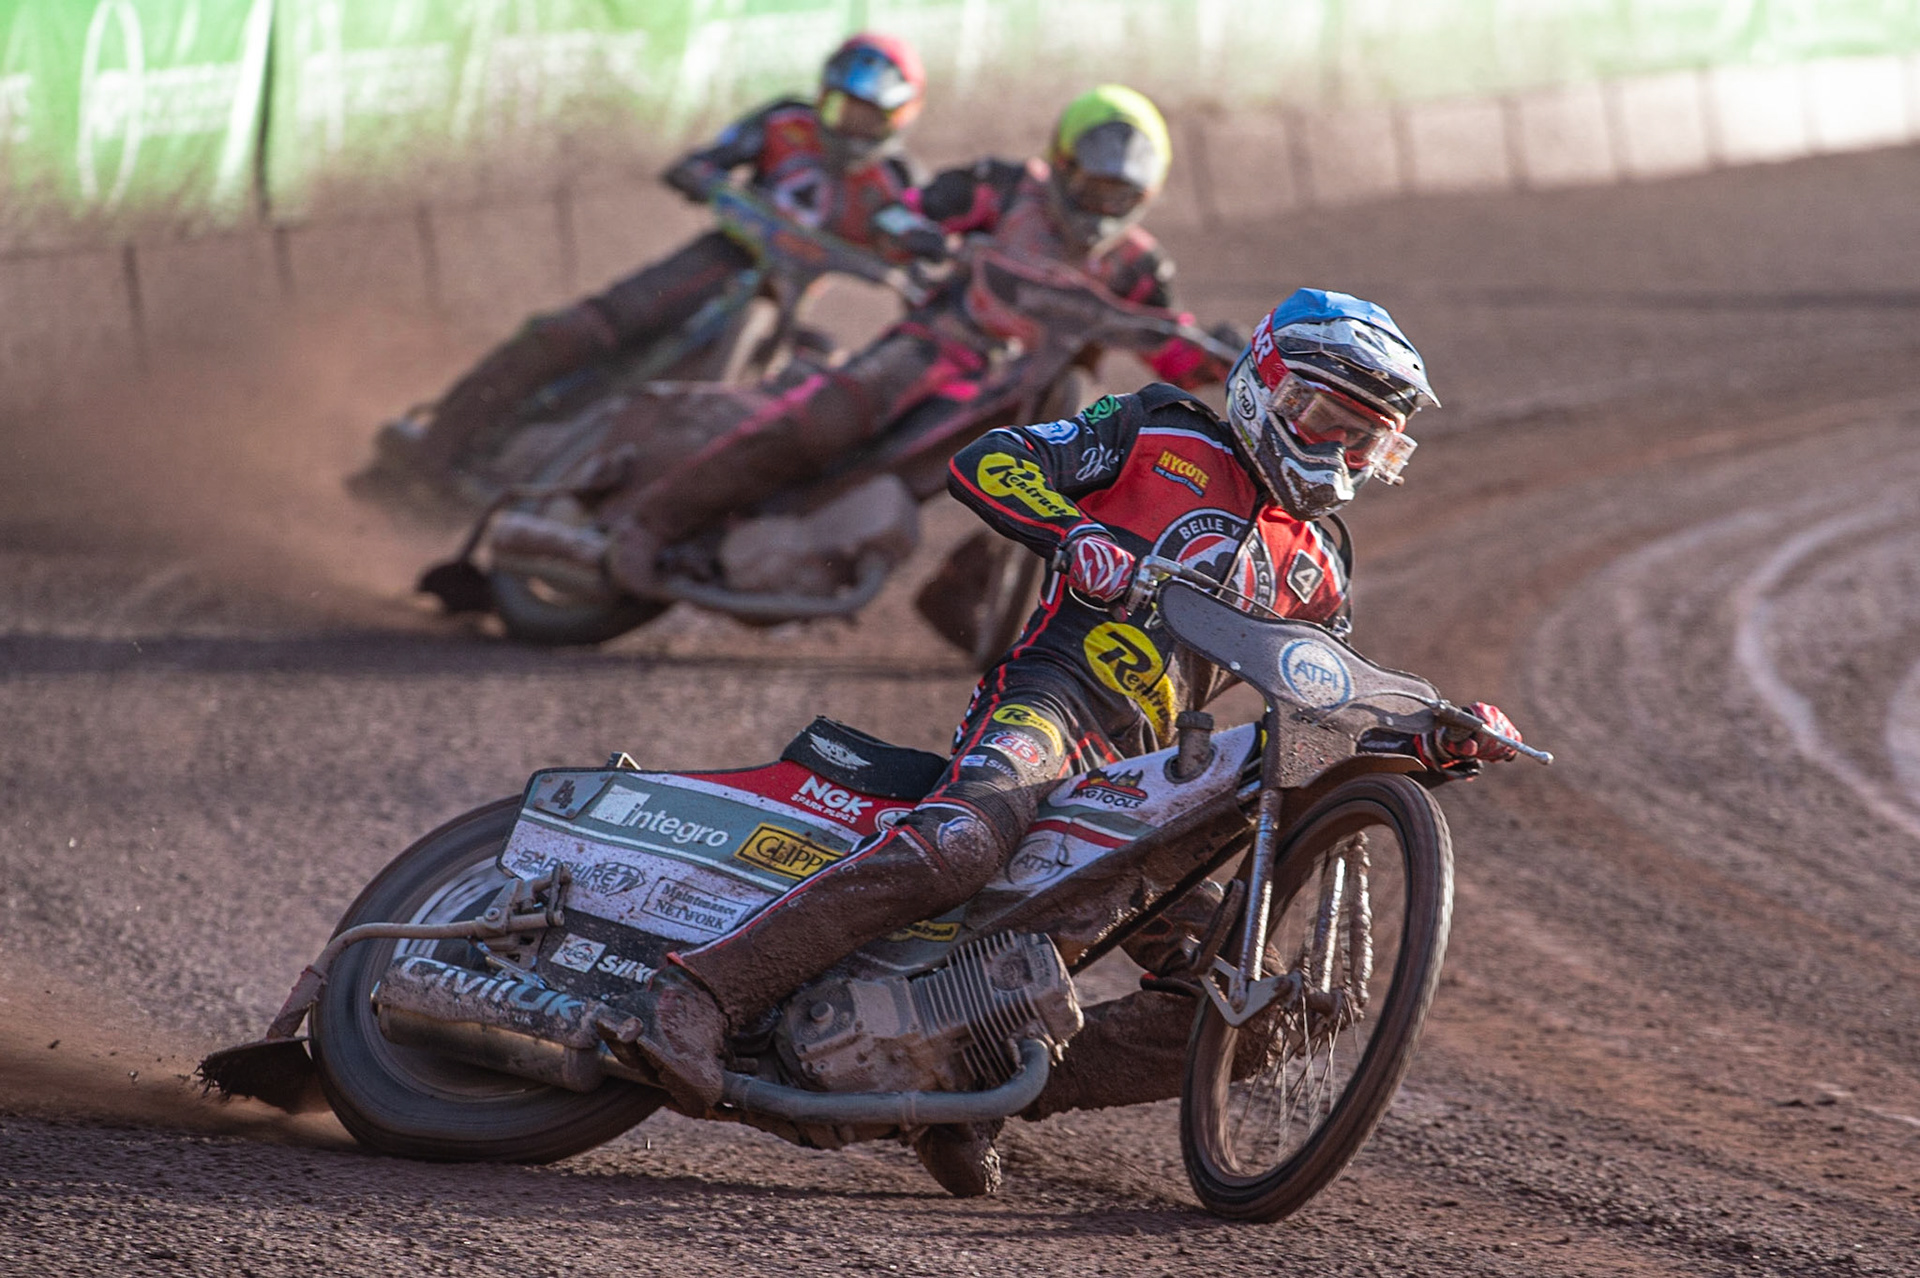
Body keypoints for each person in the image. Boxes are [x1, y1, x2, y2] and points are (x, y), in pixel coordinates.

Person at [609, 287, 1526, 1190]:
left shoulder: (1323, 563)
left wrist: (1434, 739)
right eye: (1322, 416)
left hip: (1159, 776)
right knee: (961, 843)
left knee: (1263, 1014)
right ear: (1266, 383)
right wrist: (1073, 532)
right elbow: (991, 458)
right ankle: (696, 993)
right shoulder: (1162, 431)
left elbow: (1326, 705)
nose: (1334, 448)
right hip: (1053, 703)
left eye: (1362, 437)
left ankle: (981, 1097)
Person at [592, 83, 1236, 595]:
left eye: (1119, 194)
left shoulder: (1139, 267)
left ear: (1144, 195)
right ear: (1064, 164)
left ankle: (956, 587)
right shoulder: (1006, 186)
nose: (1100, 207)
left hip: (1021, 393)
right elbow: (902, 210)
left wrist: (1215, 354)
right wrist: (917, 232)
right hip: (936, 348)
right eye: (1093, 186)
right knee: (823, 422)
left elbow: (1169, 351)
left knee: (1059, 468)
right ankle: (647, 523)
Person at [377, 32, 928, 489]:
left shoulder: (897, 186)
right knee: (582, 329)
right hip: (720, 256)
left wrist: (917, 260)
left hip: (787, 299)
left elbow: (914, 245)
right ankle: (437, 443)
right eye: (840, 108)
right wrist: (704, 176)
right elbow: (704, 160)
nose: (849, 127)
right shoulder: (786, 124)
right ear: (821, 96)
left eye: (868, 118)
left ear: (900, 118)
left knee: (792, 397)